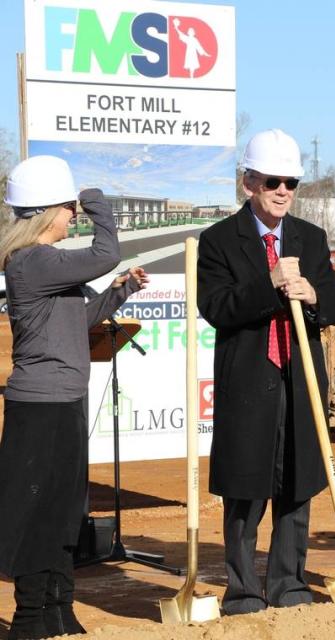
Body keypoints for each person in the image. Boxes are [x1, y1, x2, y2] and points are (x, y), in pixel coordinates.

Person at [197, 129, 335, 614]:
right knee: (246, 489)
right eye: (272, 182)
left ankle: (289, 584)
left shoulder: (311, 238)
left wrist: (315, 296)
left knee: (297, 483)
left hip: (299, 379)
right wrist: (270, 285)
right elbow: (217, 306)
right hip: (249, 381)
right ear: (249, 183)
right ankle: (242, 590)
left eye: (291, 182)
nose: (283, 191)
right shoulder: (219, 241)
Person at [0, 155, 147, 639]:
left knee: (64, 512)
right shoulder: (34, 261)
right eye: (68, 208)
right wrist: (99, 203)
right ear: (46, 211)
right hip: (41, 407)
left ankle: (59, 610)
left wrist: (121, 292)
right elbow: (105, 254)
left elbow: (80, 320)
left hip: (61, 403)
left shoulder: (48, 267)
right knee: (40, 512)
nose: (73, 216)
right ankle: (30, 618)